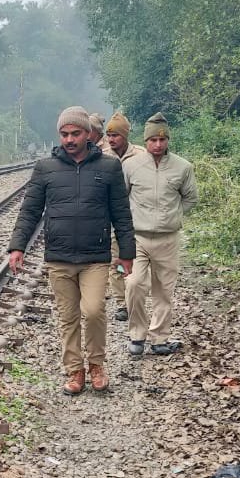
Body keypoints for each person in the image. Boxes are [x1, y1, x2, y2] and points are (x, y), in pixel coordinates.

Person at [8, 106, 135, 395]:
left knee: (92, 311)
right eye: (64, 134)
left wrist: (126, 253)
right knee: (67, 316)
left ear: (88, 134)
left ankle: (97, 365)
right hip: (59, 257)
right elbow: (29, 211)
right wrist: (18, 247)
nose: (69, 139)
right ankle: (75, 371)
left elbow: (122, 213)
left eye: (75, 133)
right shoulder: (45, 169)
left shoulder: (108, 167)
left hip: (95, 257)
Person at [123, 113, 198, 357]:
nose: (158, 144)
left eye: (162, 140)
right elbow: (122, 198)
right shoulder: (131, 166)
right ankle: (136, 335)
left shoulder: (183, 167)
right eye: (153, 140)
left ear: (168, 141)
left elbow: (190, 198)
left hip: (168, 238)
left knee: (164, 290)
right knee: (134, 285)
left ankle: (159, 338)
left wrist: (172, 216)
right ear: (145, 141)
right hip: (138, 237)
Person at [106, 111, 145, 321]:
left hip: (138, 219)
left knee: (137, 262)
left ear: (125, 135)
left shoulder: (141, 155)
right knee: (116, 261)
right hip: (113, 221)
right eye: (109, 135)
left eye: (116, 135)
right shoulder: (103, 156)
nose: (111, 140)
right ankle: (122, 303)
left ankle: (136, 299)